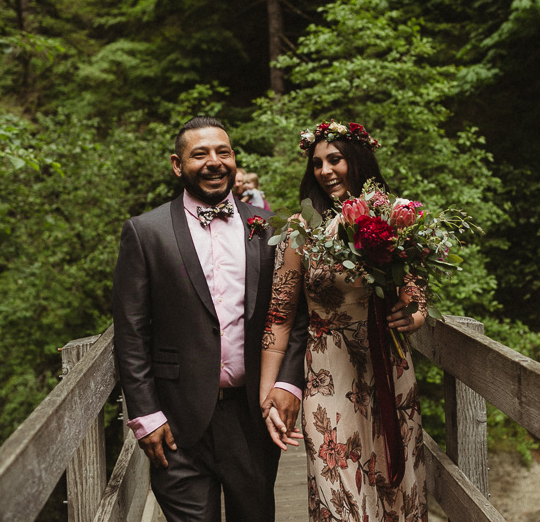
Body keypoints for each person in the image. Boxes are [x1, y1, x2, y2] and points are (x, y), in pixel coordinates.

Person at [112, 116, 309, 522]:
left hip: (251, 417)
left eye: (223, 151)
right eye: (199, 154)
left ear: (234, 159)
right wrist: (145, 416)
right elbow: (131, 332)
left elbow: (296, 313)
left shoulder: (269, 227)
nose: (214, 161)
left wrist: (289, 382)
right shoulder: (145, 233)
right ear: (176, 164)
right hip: (175, 421)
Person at [259, 120, 429, 522]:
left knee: (395, 483)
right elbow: (279, 316)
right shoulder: (301, 231)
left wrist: (414, 314)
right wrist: (268, 393)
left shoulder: (397, 217)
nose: (325, 170)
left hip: (387, 364)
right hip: (328, 370)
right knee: (336, 486)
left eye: (334, 159)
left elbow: (417, 294)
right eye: (317, 163)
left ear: (357, 160)